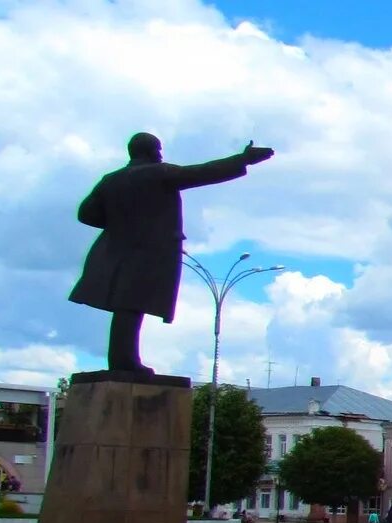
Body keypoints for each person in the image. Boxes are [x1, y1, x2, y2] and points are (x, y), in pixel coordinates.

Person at [69, 133, 275, 373]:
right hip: (148, 251)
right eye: (158, 149)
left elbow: (86, 213)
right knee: (131, 305)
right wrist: (242, 159)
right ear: (150, 151)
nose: (160, 154)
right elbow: (202, 172)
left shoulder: (110, 180)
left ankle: (122, 360)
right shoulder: (159, 173)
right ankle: (124, 362)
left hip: (116, 251)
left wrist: (119, 224)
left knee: (126, 305)